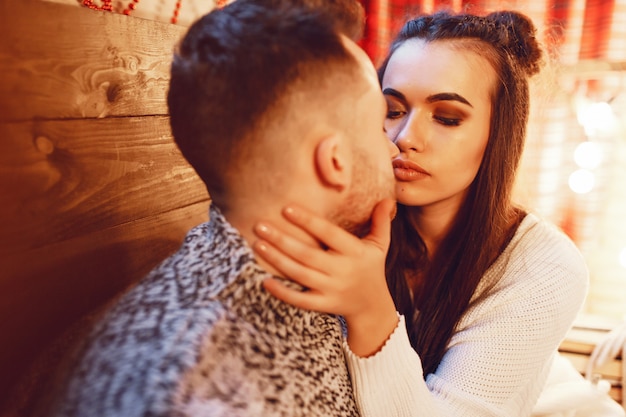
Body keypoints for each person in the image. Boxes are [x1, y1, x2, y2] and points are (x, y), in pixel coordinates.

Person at [44, 0, 398, 416]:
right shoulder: (196, 392)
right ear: (334, 161)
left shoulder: (304, 275)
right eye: (379, 127)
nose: (393, 149)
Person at [251, 9, 590, 417]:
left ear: (500, 133)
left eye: (447, 117)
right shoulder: (336, 222)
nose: (406, 138)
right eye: (392, 111)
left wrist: (369, 308)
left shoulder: (547, 267)